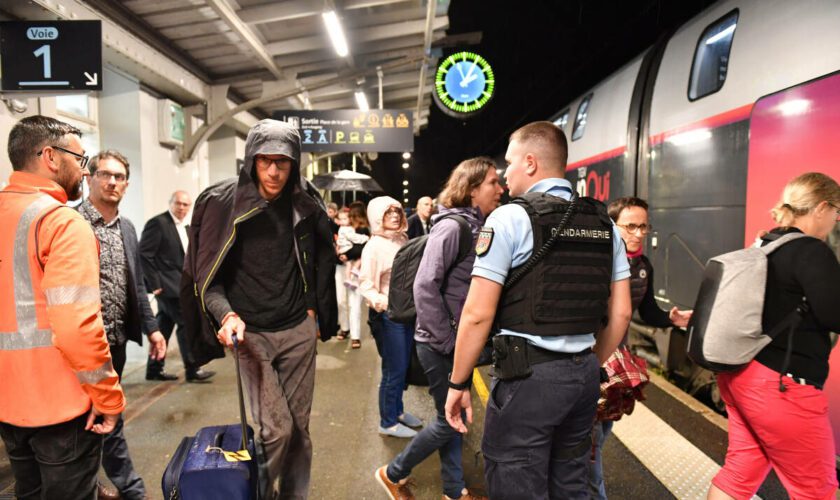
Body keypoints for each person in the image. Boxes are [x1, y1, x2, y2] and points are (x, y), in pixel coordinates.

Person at [444, 121, 632, 499]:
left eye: (509, 164)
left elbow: (477, 313)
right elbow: (622, 313)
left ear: (530, 162)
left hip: (527, 379)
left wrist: (458, 382)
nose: (505, 176)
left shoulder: (509, 219)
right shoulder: (604, 224)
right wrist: (586, 363)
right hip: (582, 378)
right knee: (570, 482)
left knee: (516, 482)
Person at [181, 118, 337, 500]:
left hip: (298, 330)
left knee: (299, 431)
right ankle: (261, 495)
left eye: (282, 162)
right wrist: (226, 315)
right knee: (276, 429)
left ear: (294, 164)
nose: (273, 171)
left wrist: (314, 311)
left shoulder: (304, 201)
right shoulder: (221, 204)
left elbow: (320, 256)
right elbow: (207, 278)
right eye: (264, 160)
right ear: (250, 160)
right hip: (250, 334)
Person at [0, 115, 125, 499]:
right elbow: (76, 326)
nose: (84, 171)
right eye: (80, 159)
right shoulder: (61, 223)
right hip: (62, 409)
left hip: (8, 405)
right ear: (51, 157)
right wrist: (107, 396)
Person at [376, 157, 503, 500]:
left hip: (450, 341)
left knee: (453, 417)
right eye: (493, 182)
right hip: (439, 344)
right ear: (473, 187)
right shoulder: (453, 227)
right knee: (448, 420)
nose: (500, 188)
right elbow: (424, 287)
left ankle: (453, 489)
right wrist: (449, 339)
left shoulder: (476, 225)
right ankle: (392, 472)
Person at [708, 172, 840, 500]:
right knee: (817, 490)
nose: (836, 221)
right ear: (822, 208)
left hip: (741, 374)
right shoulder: (811, 250)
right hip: (782, 385)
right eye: (837, 212)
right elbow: (834, 314)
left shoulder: (767, 242)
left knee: (740, 473)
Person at [77, 150, 168, 500]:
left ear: (126, 185)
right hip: (79, 344)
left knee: (109, 416)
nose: (112, 181)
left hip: (113, 342)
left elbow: (137, 284)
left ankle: (122, 489)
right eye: (105, 174)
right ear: (89, 178)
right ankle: (125, 490)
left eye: (119, 177)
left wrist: (153, 328)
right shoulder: (72, 223)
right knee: (83, 423)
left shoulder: (127, 228)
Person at [589, 196, 693, 499]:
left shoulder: (642, 265)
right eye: (630, 226)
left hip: (616, 362)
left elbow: (647, 312)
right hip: (592, 360)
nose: (638, 234)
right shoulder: (598, 261)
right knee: (591, 441)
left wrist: (673, 319)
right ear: (612, 226)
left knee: (602, 433)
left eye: (643, 227)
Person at [360, 196, 423, 438]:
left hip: (406, 314)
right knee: (393, 370)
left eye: (397, 211)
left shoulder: (402, 239)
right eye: (388, 213)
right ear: (377, 217)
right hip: (389, 317)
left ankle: (396, 411)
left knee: (402, 366)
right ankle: (387, 422)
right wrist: (385, 304)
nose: (395, 216)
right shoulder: (374, 247)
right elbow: (366, 285)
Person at [140, 190, 215, 382]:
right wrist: (154, 284)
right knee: (186, 323)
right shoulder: (158, 223)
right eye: (178, 203)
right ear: (171, 203)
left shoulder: (187, 227)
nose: (182, 208)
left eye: (186, 205)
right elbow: (144, 254)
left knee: (164, 325)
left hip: (181, 285)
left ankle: (154, 369)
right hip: (166, 287)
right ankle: (193, 369)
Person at [338, 201, 371, 348]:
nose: (349, 218)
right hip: (341, 267)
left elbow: (363, 248)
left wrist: (347, 254)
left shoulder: (363, 230)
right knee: (341, 301)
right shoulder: (345, 229)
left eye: (352, 215)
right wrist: (339, 254)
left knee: (354, 303)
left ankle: (355, 335)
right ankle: (345, 327)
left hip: (357, 270)